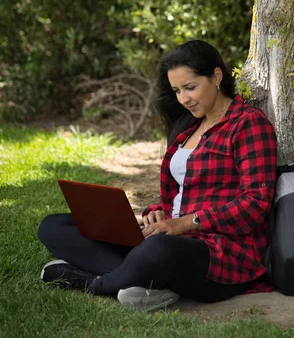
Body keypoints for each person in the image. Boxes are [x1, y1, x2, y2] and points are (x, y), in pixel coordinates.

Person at [38, 39, 277, 312]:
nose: (183, 99)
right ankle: (146, 282)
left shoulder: (247, 123)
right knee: (55, 226)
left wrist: (186, 223)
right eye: (176, 90)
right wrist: (158, 212)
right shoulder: (188, 129)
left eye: (190, 87)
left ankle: (95, 283)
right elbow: (183, 194)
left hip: (219, 252)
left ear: (216, 77)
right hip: (172, 239)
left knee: (158, 250)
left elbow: (256, 202)